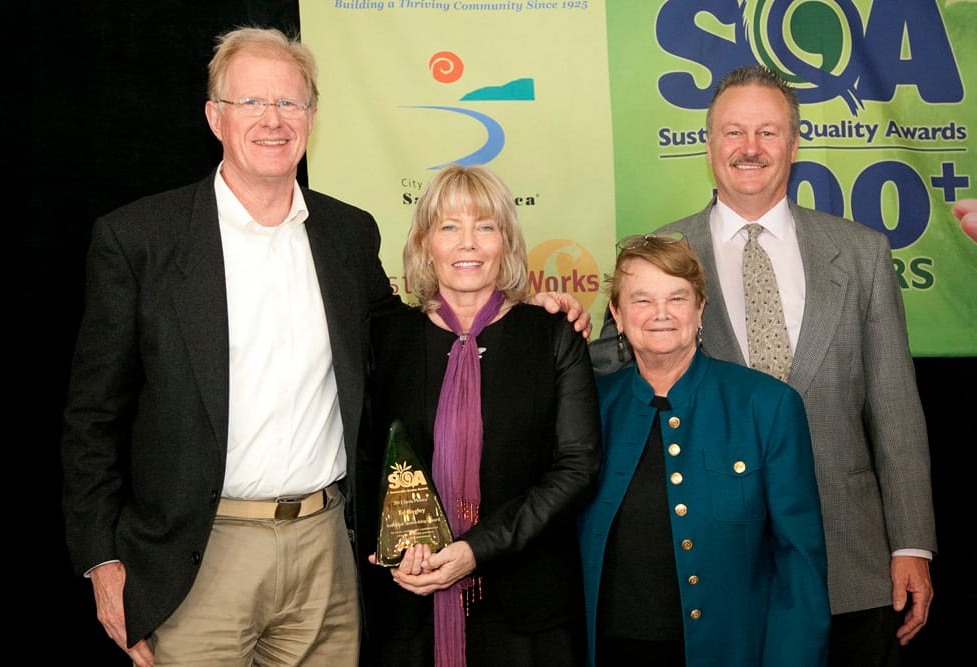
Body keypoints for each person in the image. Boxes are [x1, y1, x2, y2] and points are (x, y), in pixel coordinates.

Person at [60, 27, 589, 667]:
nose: (273, 120)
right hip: (198, 557)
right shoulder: (140, 239)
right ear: (215, 117)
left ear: (312, 117)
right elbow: (94, 417)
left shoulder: (346, 234)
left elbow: (412, 334)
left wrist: (526, 311)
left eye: (290, 102)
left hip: (326, 555)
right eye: (251, 102)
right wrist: (101, 560)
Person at [592, 64, 936, 666]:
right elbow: (611, 376)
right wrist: (556, 327)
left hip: (849, 557)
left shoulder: (862, 253)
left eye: (767, 132)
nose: (749, 148)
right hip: (715, 569)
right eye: (733, 132)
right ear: (708, 144)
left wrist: (912, 543)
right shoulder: (660, 255)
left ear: (794, 144)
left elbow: (895, 409)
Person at [360, 164, 602, 666]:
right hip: (410, 605)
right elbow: (364, 461)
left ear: (506, 243)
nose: (467, 243)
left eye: (485, 226)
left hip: (528, 611)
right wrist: (393, 548)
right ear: (425, 244)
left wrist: (475, 550)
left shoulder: (552, 335)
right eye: (450, 227)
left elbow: (578, 467)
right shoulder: (385, 339)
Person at [578, 233, 830, 666]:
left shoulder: (767, 405)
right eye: (642, 300)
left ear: (700, 309)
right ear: (617, 314)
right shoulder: (589, 407)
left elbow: (799, 565)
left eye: (677, 298)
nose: (660, 314)